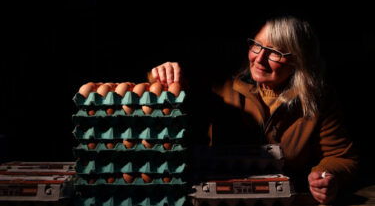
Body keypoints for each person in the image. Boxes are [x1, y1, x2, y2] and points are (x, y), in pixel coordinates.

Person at [149, 15, 358, 204]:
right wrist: (161, 75)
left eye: (274, 52)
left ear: (298, 60)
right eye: (256, 45)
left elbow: (341, 157)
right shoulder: (222, 85)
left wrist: (326, 176)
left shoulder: (317, 100)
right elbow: (171, 91)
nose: (259, 58)